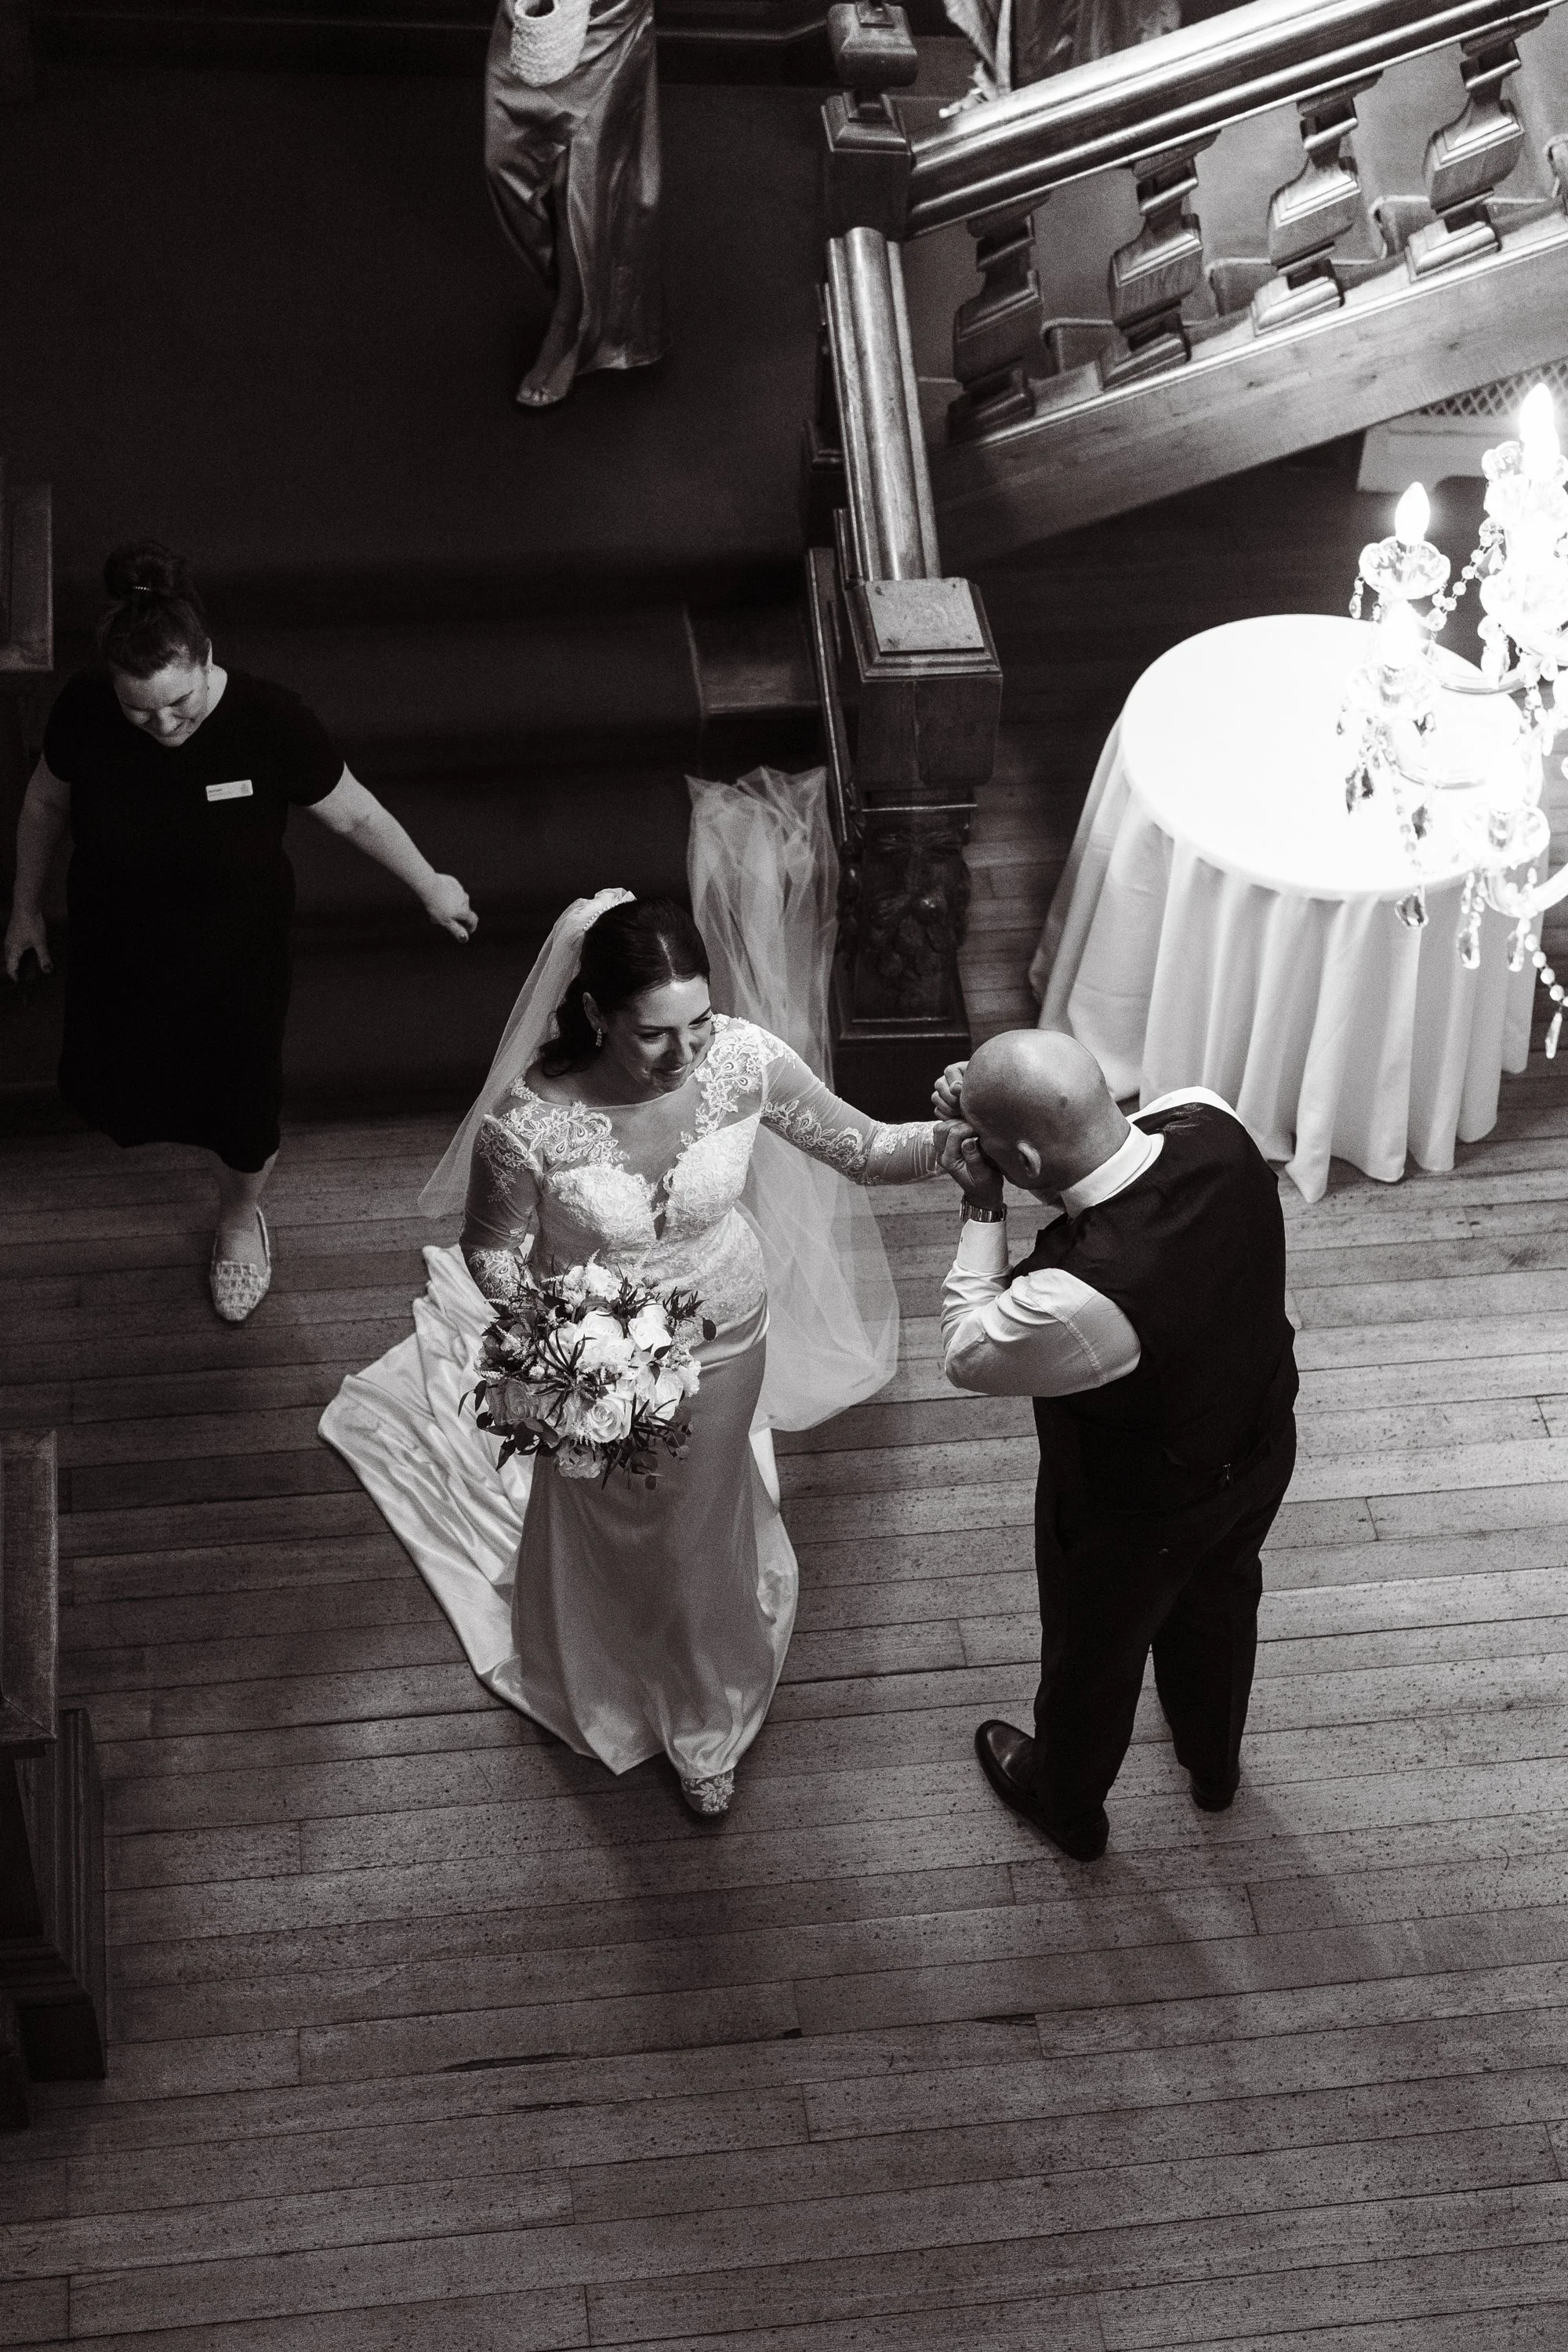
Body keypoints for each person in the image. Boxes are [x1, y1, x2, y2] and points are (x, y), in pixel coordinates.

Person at [321, 891, 948, 1816]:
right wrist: (564, 1342)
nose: (686, 1054)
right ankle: (601, 1662)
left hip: (730, 1335)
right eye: (655, 1034)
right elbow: (489, 1251)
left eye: (698, 1022)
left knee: (697, 1515)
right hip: (596, 1366)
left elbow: (867, 1150)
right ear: (595, 1013)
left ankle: (702, 1710)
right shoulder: (528, 1124)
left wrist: (965, 1141)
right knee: (616, 1520)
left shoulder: (743, 1063)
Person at [2, 543, 477, 1323]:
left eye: (179, 702)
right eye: (139, 708)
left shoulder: (269, 718)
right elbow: (45, 805)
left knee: (240, 1101)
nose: (161, 724)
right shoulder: (85, 706)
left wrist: (428, 881)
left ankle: (237, 1221)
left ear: (206, 657)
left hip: (233, 959)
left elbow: (353, 809)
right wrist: (23, 907)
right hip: (118, 948)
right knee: (126, 1073)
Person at [934, 1031, 1298, 1860]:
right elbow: (1093, 1137)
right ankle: (1213, 1767)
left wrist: (983, 1200)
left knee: (1091, 1661)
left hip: (1132, 1512)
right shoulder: (1212, 1121)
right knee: (1220, 1604)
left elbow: (967, 1351)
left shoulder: (1076, 1297)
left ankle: (1065, 1806)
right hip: (1260, 1445)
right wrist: (996, 1110)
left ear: (1020, 1160)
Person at [485, 0, 665, 408]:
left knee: (579, 177)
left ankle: (569, 320)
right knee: (503, 162)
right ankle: (575, 283)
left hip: (609, 10)